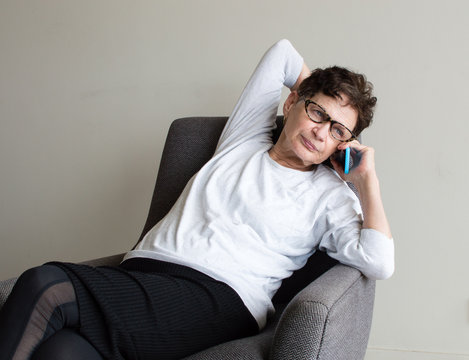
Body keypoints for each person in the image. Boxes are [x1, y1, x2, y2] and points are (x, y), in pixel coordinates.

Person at [0, 39, 394, 360]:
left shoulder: (330, 195)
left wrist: (366, 181)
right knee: (62, 351)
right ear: (290, 103)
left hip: (220, 298)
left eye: (338, 130)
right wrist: (315, 93)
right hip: (143, 273)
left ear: (347, 142)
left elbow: (379, 261)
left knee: (44, 285)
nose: (322, 132)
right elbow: (282, 54)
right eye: (316, 113)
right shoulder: (243, 140)